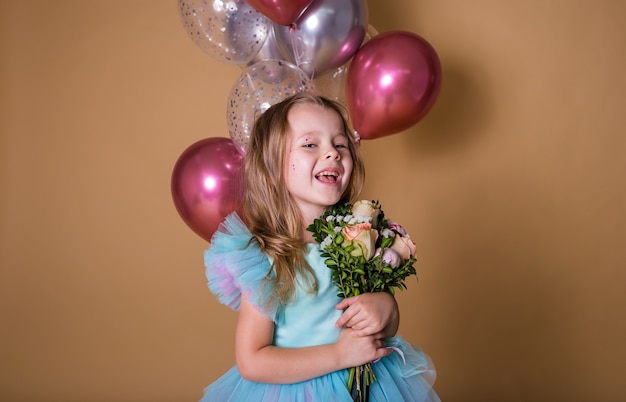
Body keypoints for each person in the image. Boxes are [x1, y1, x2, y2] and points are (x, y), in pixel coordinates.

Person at [201, 92, 439, 401]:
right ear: (273, 167)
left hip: (369, 386)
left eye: (340, 144)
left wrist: (387, 308)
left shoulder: (362, 235)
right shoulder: (267, 255)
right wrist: (340, 356)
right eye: (311, 144)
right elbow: (252, 360)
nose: (333, 153)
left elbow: (377, 326)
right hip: (297, 391)